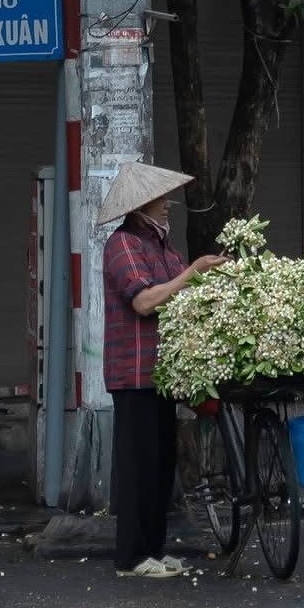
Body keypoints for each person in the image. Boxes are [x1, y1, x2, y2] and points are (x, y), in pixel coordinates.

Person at [100, 162, 228, 579]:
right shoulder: (122, 245)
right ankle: (131, 559)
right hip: (134, 372)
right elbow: (144, 302)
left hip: (162, 373)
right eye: (160, 199)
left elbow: (184, 295)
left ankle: (153, 551)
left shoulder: (163, 248)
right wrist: (191, 274)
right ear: (141, 207)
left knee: (160, 466)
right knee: (138, 468)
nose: (167, 205)